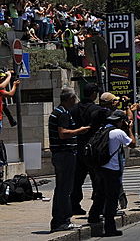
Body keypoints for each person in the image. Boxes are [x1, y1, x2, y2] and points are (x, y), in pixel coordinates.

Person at [87, 109, 135, 237]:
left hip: (100, 167)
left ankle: (93, 216)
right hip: (112, 169)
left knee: (100, 194)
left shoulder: (102, 129)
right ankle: (109, 228)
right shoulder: (118, 132)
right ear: (120, 122)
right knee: (111, 199)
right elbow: (133, 143)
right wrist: (129, 129)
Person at [49, 87, 91, 232]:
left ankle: (61, 219)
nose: (76, 101)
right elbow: (62, 133)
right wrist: (80, 130)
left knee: (62, 189)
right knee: (65, 189)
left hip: (61, 154)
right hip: (65, 154)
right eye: (74, 98)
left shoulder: (59, 112)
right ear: (69, 99)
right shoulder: (63, 114)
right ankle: (62, 220)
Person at [70, 83, 102, 216]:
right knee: (97, 179)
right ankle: (97, 206)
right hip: (93, 148)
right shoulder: (96, 110)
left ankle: (74, 205)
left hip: (78, 147)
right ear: (93, 93)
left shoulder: (74, 109)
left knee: (77, 180)